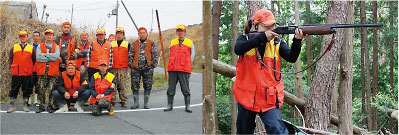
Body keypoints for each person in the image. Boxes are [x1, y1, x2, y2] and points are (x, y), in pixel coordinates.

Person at [232, 9, 306, 134]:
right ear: (256, 26)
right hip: (247, 97)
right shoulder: (244, 39)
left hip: (269, 99)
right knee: (244, 132)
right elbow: (238, 49)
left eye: (272, 25)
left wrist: (297, 40)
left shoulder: (277, 43)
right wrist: (262, 37)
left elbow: (292, 57)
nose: (271, 28)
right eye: (266, 26)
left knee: (277, 130)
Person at [164, 25, 195, 113]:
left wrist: (186, 64)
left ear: (185, 32)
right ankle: (169, 105)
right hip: (173, 69)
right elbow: (170, 54)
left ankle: (187, 106)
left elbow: (192, 56)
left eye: (182, 31)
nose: (180, 32)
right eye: (178, 31)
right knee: (171, 88)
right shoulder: (172, 42)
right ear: (176, 32)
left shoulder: (190, 42)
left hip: (184, 69)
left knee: (185, 89)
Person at [7, 30, 36, 113]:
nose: (22, 38)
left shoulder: (31, 48)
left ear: (27, 37)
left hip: (27, 73)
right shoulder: (14, 47)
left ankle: (25, 106)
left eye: (24, 36)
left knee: (26, 89)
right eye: (21, 36)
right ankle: (12, 106)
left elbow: (34, 60)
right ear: (19, 37)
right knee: (14, 89)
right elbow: (11, 59)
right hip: (16, 72)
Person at [129, 27, 158, 109]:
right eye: (140, 33)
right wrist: (131, 65)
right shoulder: (134, 43)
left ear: (146, 34)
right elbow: (130, 55)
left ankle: (146, 103)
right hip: (136, 69)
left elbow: (154, 55)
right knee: (134, 86)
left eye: (143, 33)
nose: (142, 34)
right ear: (138, 34)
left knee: (148, 85)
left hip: (148, 68)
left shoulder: (151, 43)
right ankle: (136, 103)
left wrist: (152, 65)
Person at [35, 29, 60, 113]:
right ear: (45, 36)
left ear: (53, 36)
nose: (49, 36)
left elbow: (56, 57)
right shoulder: (40, 46)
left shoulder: (56, 46)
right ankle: (41, 106)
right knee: (41, 88)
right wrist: (50, 57)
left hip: (53, 71)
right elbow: (38, 57)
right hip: (42, 70)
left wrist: (44, 55)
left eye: (51, 35)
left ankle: (50, 106)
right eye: (47, 35)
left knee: (51, 89)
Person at [110, 27, 130, 108]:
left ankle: (123, 100)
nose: (119, 35)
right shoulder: (111, 44)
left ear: (123, 34)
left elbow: (130, 55)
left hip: (123, 68)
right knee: (113, 84)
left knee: (122, 85)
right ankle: (113, 100)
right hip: (113, 67)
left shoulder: (127, 44)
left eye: (120, 33)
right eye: (117, 33)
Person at [29, 31, 41, 107]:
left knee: (38, 85)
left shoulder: (42, 46)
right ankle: (29, 100)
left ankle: (36, 100)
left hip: (39, 69)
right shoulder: (30, 47)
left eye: (37, 36)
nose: (36, 37)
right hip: (30, 69)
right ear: (32, 37)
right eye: (34, 36)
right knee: (30, 85)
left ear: (39, 37)